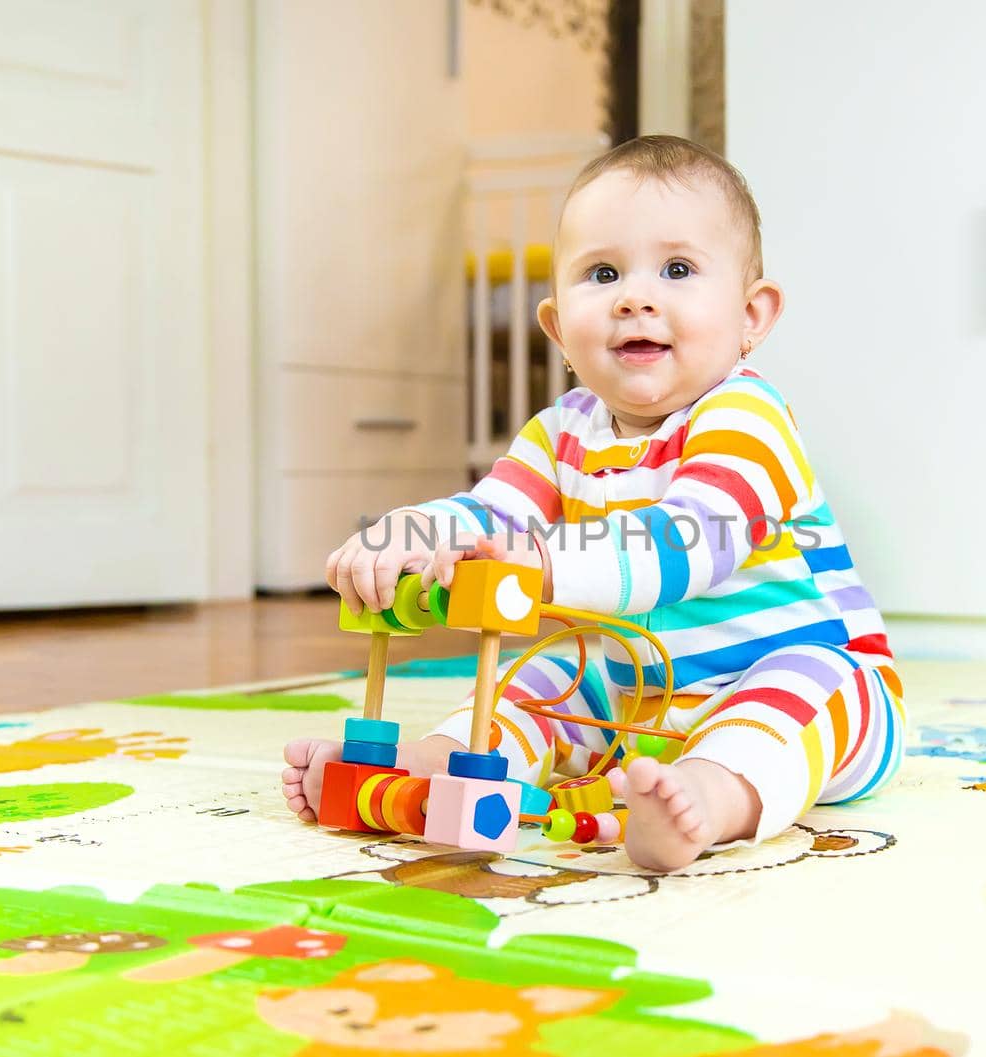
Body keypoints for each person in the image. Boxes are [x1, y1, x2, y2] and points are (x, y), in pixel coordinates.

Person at [282, 135, 904, 872]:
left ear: (751, 316)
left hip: (802, 672)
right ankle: (435, 762)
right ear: (559, 332)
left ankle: (706, 798)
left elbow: (689, 542)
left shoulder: (747, 417)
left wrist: (543, 562)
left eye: (677, 269)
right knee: (539, 680)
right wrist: (406, 535)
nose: (635, 297)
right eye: (603, 273)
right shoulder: (562, 430)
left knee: (806, 689)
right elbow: (489, 513)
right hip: (632, 693)